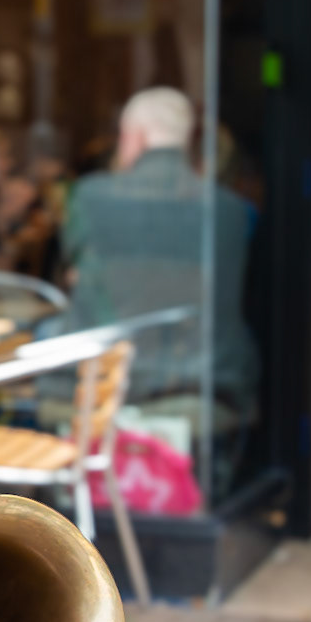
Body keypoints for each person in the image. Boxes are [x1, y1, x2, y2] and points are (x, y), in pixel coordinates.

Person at [61, 86, 259, 425]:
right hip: (212, 377)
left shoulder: (91, 197)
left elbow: (77, 275)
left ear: (135, 137)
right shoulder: (231, 210)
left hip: (115, 377)